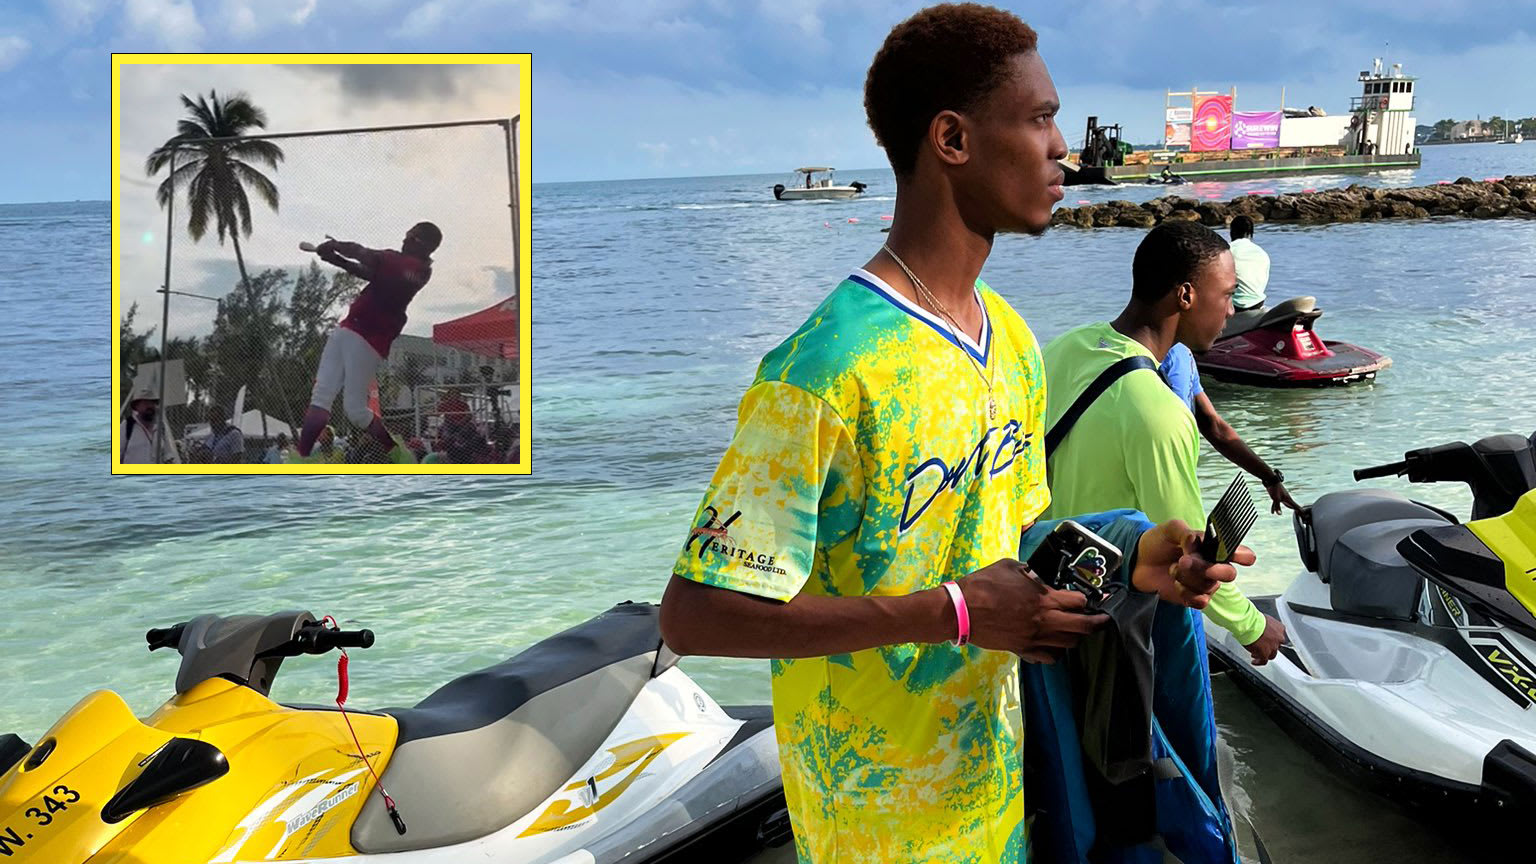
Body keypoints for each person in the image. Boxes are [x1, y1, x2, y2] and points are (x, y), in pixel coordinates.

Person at [658, 8, 1246, 863]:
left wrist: (1135, 561)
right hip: (873, 827)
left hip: (997, 799)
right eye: (1040, 119)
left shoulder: (1009, 339)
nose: (1063, 150)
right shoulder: (822, 370)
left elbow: (1009, 542)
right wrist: (954, 613)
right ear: (952, 139)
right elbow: (701, 613)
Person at [296, 222, 442, 460]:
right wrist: (335, 259)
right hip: (349, 326)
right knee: (321, 394)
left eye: (411, 237)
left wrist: (335, 246)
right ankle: (302, 455)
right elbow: (369, 272)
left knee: (355, 411)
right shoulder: (405, 266)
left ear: (422, 245)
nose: (404, 239)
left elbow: (367, 256)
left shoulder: (415, 268)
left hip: (368, 338)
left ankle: (395, 451)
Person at [1160, 343, 1301, 514]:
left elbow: (1215, 428)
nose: (1230, 314)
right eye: (1224, 314)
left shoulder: (1183, 354)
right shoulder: (1148, 360)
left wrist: (1270, 479)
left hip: (1180, 496)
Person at [121, 387, 173, 464]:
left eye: (152, 403)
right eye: (145, 403)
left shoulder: (161, 427)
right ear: (136, 407)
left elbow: (168, 456)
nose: (150, 406)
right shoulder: (126, 426)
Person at [1227, 215, 1269, 311]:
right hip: (1258, 303)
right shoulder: (1262, 253)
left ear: (1232, 232)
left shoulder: (1227, 250)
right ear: (1251, 233)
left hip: (1234, 306)